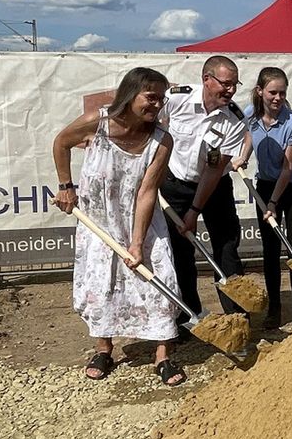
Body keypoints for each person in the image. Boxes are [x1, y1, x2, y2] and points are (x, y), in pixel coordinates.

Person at [52, 67, 185, 386]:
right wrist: (66, 186)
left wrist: (138, 243)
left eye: (161, 99)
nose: (157, 105)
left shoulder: (161, 141)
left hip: (142, 223)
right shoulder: (95, 125)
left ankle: (163, 355)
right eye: (151, 97)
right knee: (102, 286)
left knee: (158, 282)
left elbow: (147, 191)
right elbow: (60, 143)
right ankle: (103, 349)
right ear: (130, 94)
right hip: (100, 223)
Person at [159, 55, 249, 331]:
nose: (231, 90)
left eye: (235, 84)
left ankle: (237, 317)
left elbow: (214, 169)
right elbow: (155, 129)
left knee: (226, 248)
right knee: (180, 252)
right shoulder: (176, 99)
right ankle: (189, 315)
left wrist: (194, 211)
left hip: (215, 187)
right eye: (226, 83)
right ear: (206, 80)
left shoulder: (234, 119)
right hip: (175, 185)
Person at [239, 67, 292, 331]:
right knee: (270, 251)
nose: (277, 98)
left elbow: (288, 169)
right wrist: (244, 155)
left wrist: (272, 204)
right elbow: (249, 133)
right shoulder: (251, 115)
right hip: (266, 186)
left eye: (282, 93)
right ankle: (274, 309)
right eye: (272, 92)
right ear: (260, 92)